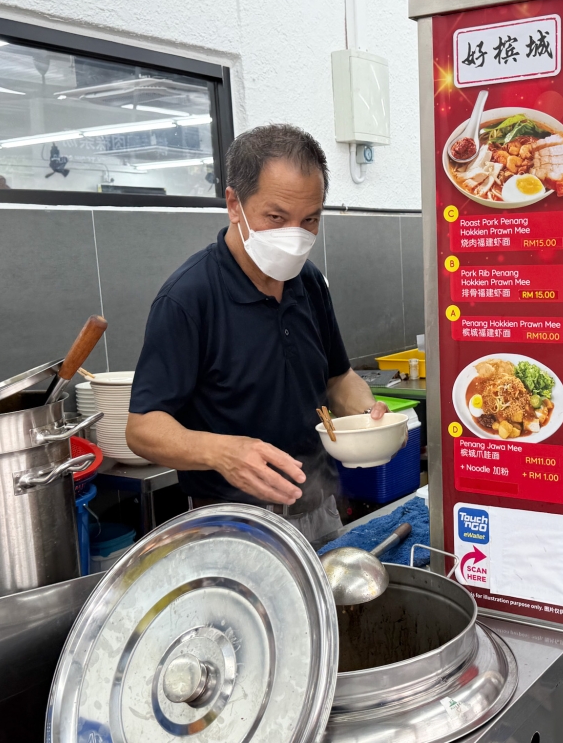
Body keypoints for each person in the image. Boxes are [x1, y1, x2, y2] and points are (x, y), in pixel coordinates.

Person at [126, 124, 387, 542]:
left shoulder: (310, 282)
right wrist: (223, 453)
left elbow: (338, 378)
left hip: (320, 508)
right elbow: (142, 428)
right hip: (230, 526)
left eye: (310, 220)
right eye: (276, 218)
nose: (295, 237)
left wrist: (365, 420)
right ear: (234, 204)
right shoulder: (189, 297)